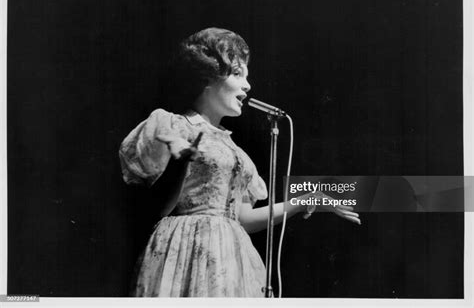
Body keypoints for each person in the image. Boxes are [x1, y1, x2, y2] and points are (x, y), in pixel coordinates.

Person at [118, 27, 360, 297]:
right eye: (237, 74)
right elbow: (158, 210)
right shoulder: (174, 126)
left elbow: (242, 218)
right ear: (206, 77)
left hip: (231, 256)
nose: (247, 85)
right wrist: (179, 163)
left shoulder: (236, 153)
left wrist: (304, 200)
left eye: (247, 75)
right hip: (186, 249)